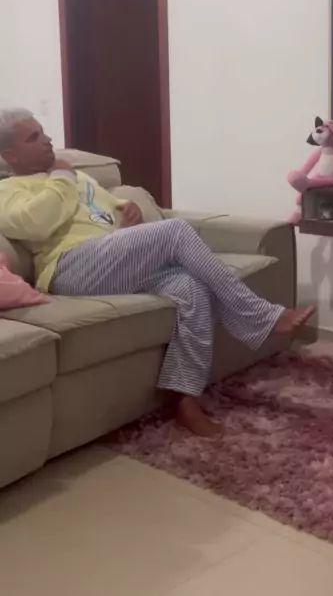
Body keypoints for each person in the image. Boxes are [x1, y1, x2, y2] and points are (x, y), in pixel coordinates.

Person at [0, 109, 313, 436]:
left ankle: (185, 398)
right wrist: (63, 177)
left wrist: (127, 210)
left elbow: (105, 208)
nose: (47, 139)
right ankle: (260, 316)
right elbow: (37, 223)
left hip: (112, 259)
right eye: (34, 137)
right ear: (11, 154)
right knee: (176, 230)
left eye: (43, 131)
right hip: (70, 267)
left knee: (190, 287)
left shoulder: (80, 178)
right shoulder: (9, 190)